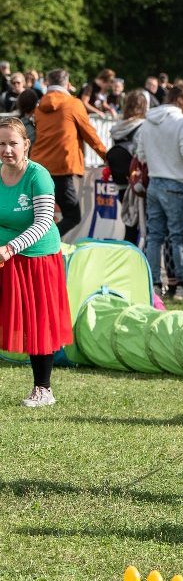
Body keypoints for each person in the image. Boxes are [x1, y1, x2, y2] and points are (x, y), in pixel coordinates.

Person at [0, 115, 76, 407]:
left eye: (13, 143)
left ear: (26, 145)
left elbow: (45, 221)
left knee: (37, 323)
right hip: (4, 253)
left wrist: (11, 248)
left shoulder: (38, 175)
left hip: (36, 257)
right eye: (2, 143)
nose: (7, 149)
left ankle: (43, 390)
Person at [135, 85, 183, 300]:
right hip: (177, 183)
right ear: (181, 100)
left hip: (154, 182)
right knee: (177, 237)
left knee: (154, 236)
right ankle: (182, 285)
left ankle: (153, 283)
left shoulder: (148, 121)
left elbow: (141, 154)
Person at [31, 69, 107, 239]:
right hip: (61, 167)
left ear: (48, 83)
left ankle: (42, 245)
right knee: (73, 216)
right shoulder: (74, 104)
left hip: (37, 168)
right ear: (67, 83)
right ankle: (45, 243)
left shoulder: (40, 106)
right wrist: (107, 157)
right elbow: (90, 135)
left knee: (40, 217)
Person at [109, 90, 149, 246]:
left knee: (129, 225)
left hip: (121, 181)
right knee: (144, 226)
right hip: (137, 182)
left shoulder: (118, 127)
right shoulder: (141, 127)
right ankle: (139, 261)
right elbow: (142, 153)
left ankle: (128, 258)